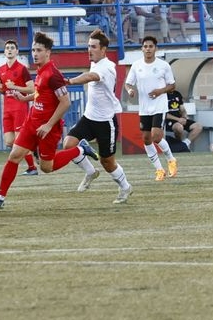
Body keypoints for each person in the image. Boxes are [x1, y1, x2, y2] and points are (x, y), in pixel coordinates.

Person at [0, 32, 99, 211]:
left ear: (48, 53)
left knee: (46, 168)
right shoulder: (40, 70)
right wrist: (25, 98)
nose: (34, 53)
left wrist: (49, 125)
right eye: (33, 50)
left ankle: (80, 149)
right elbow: (40, 95)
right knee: (14, 156)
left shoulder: (53, 74)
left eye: (38, 50)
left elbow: (65, 102)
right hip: (31, 123)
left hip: (48, 128)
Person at [63, 29, 133, 204]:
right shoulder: (95, 62)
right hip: (89, 118)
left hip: (106, 122)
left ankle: (125, 187)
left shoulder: (107, 67)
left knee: (107, 162)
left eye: (93, 47)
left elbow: (90, 77)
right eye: (88, 46)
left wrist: (70, 81)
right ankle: (90, 172)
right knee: (68, 145)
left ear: (103, 50)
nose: (89, 50)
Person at [124, 36, 178, 181]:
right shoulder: (136, 65)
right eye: (145, 46)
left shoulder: (163, 65)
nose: (148, 49)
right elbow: (128, 83)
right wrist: (130, 91)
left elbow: (172, 85)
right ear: (142, 48)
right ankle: (159, 170)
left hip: (159, 106)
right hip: (144, 108)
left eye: (150, 46)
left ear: (155, 49)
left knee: (156, 136)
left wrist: (160, 91)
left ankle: (171, 160)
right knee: (146, 139)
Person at [0, 40, 37, 175]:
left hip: (20, 108)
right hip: (7, 109)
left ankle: (32, 168)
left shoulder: (22, 68)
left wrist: (15, 87)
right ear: (4, 51)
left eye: (12, 48)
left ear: (17, 51)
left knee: (19, 140)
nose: (10, 50)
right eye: (7, 48)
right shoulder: (1, 70)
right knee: (9, 141)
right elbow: (4, 90)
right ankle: (34, 149)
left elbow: (31, 89)